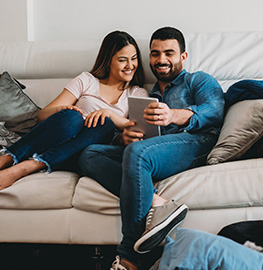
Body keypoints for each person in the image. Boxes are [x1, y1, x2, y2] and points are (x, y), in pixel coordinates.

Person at [78, 26, 225, 270]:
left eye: (169, 53)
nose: (161, 60)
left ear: (183, 57)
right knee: (90, 153)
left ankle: (128, 258)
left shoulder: (197, 80)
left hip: (196, 142)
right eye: (155, 54)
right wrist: (125, 138)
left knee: (138, 154)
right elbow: (136, 136)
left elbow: (215, 111)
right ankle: (157, 202)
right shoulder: (147, 94)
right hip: (155, 152)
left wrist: (174, 115)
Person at [0, 31, 148, 191]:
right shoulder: (87, 80)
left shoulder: (137, 93)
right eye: (122, 60)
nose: (130, 65)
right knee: (73, 116)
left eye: (134, 59)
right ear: (108, 61)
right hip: (59, 140)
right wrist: (61, 109)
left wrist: (109, 113)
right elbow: (42, 115)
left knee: (105, 124)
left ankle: (27, 166)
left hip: (86, 153)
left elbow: (137, 131)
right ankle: (6, 158)